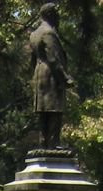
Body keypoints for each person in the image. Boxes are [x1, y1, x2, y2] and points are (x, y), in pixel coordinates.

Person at [29, 3, 70, 150]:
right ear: (50, 15)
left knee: (43, 111)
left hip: (39, 74)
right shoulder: (49, 33)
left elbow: (32, 59)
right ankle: (54, 144)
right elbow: (53, 58)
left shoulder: (34, 34)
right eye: (56, 14)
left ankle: (43, 142)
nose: (58, 17)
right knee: (54, 110)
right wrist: (65, 78)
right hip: (51, 75)